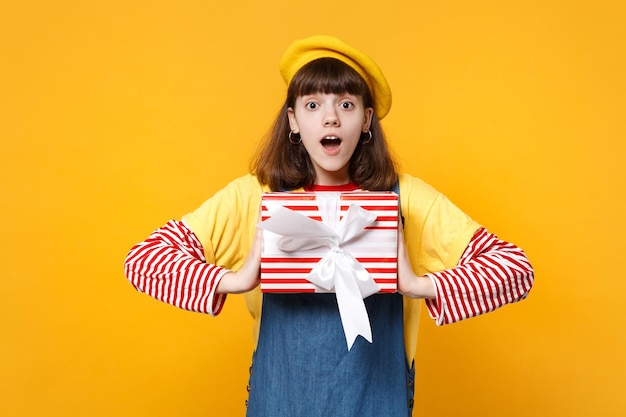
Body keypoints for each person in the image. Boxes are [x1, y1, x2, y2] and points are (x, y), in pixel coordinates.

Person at [124, 35, 534, 417]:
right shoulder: (255, 197)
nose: (331, 119)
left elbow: (515, 270)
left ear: (367, 119)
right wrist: (237, 278)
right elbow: (144, 261)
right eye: (313, 105)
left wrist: (417, 284)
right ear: (294, 121)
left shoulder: (404, 198)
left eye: (347, 104)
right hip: (279, 401)